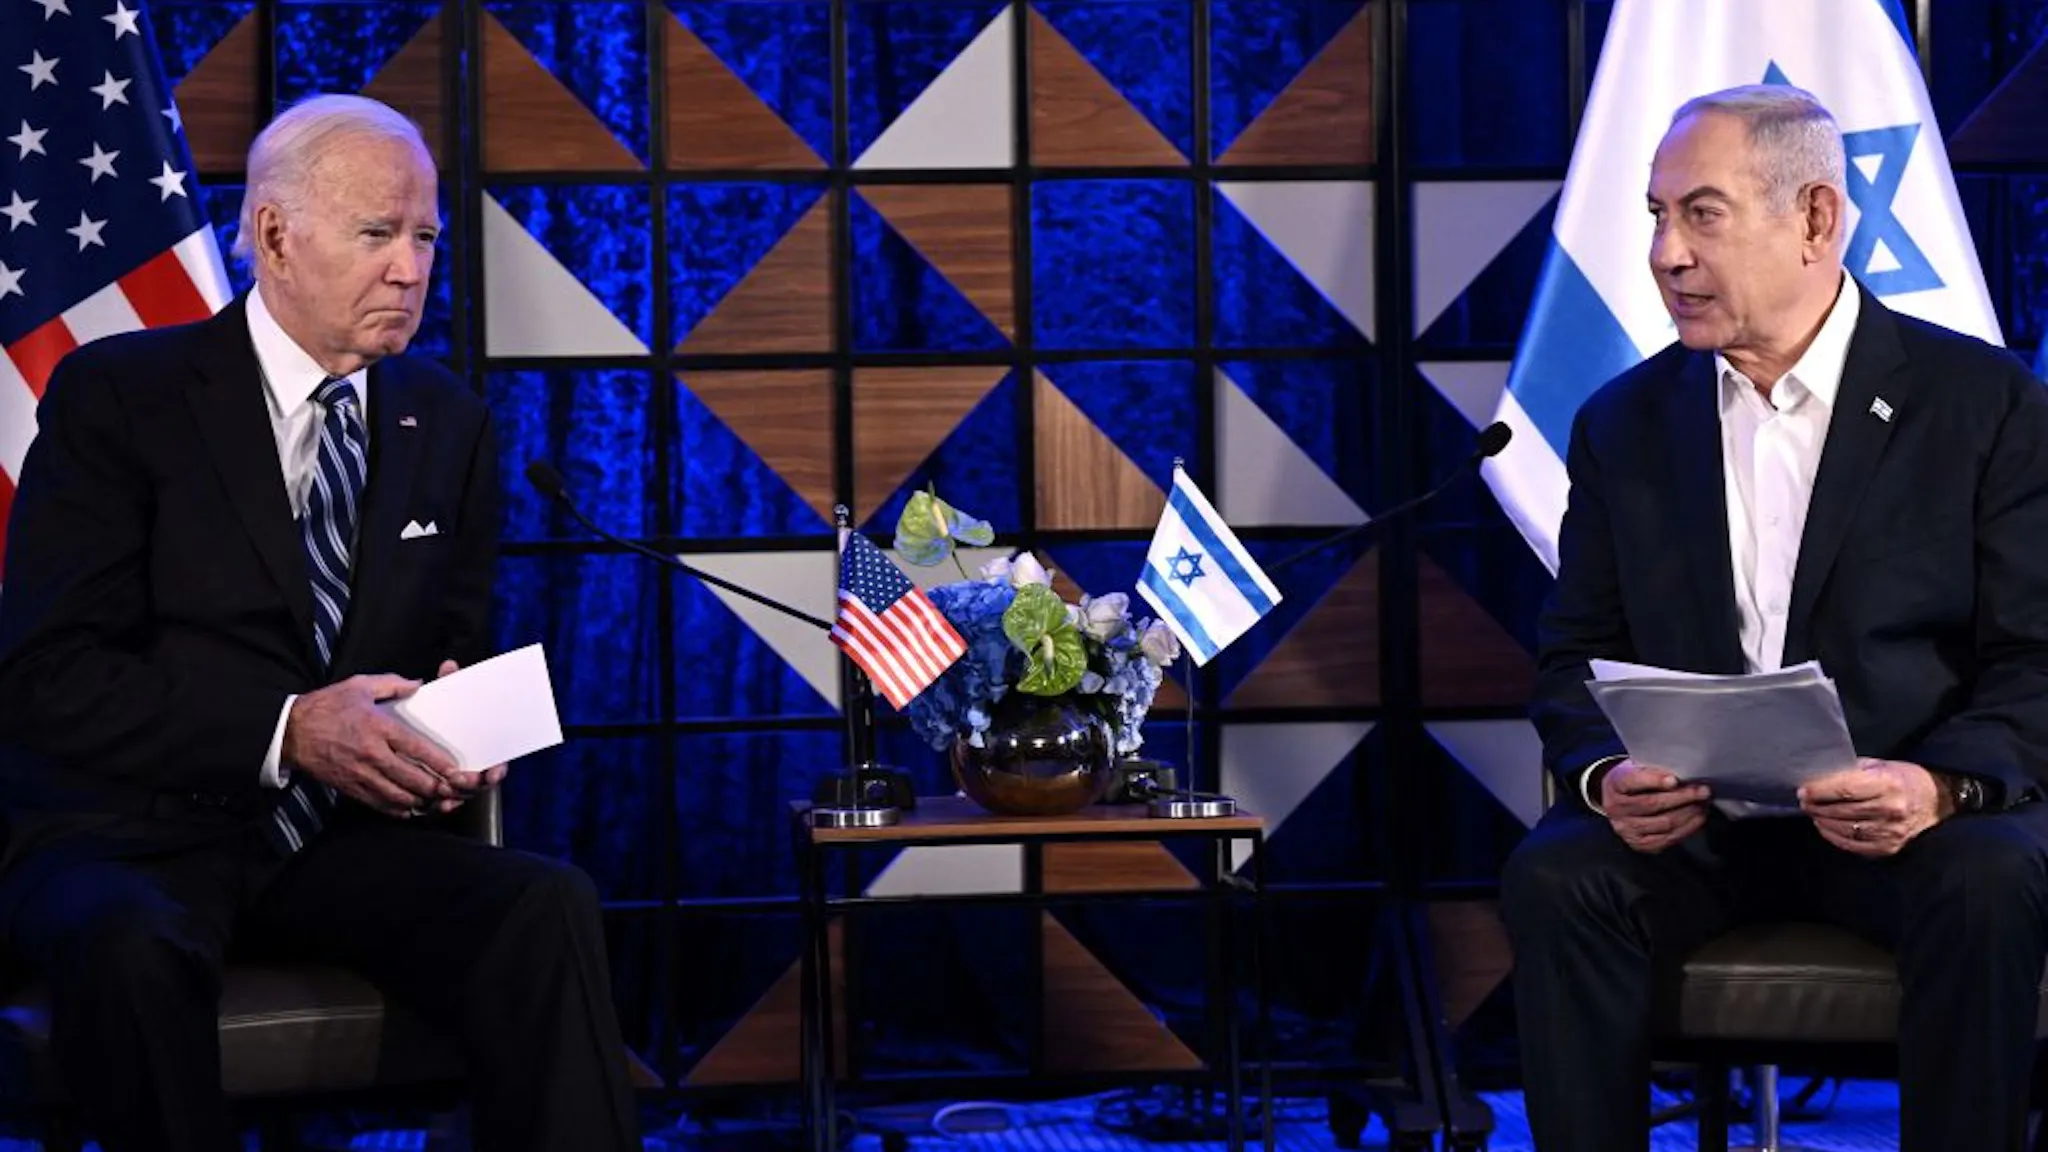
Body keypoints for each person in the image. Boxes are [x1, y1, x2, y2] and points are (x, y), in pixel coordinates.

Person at [0, 94, 640, 1151]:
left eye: (426, 235)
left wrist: (456, 734)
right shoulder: (121, 396)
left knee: (545, 903)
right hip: (128, 837)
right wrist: (289, 727)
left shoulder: (446, 421)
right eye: (377, 233)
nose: (411, 267)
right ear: (272, 235)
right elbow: (51, 676)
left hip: (330, 840)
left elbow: (453, 640)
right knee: (129, 946)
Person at [1501, 84, 2048, 1152]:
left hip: (1907, 823)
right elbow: (1571, 658)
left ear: (1812, 220)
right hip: (1700, 828)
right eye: (1655, 215)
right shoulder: (1624, 421)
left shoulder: (1981, 405)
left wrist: (1938, 785)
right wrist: (1603, 776)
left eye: (1699, 214)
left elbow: (2033, 658)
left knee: (1990, 877)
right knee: (1556, 873)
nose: (1664, 253)